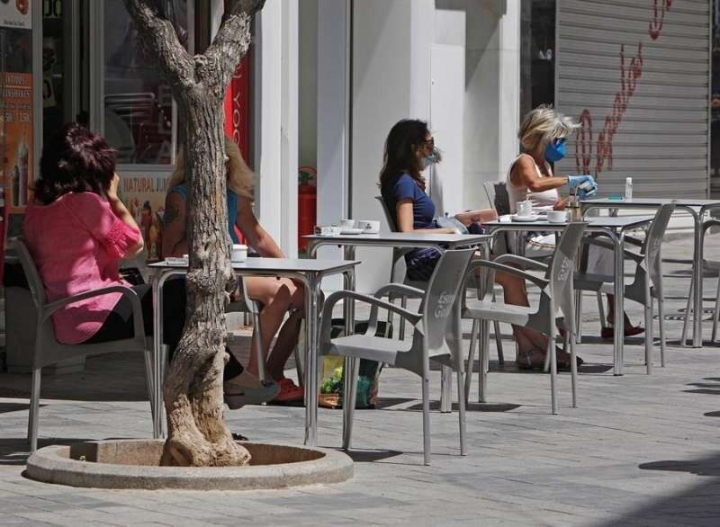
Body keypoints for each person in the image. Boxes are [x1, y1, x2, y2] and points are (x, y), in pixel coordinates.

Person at [22, 123, 270, 405]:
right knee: (184, 293)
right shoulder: (83, 203)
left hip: (66, 315)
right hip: (95, 313)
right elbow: (135, 244)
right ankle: (222, 382)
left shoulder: (37, 207)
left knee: (176, 315)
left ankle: (208, 388)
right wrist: (113, 197)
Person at [379, 119, 578, 370]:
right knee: (510, 274)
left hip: (442, 253)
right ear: (413, 147)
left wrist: (464, 218)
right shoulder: (403, 183)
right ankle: (543, 345)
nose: (433, 149)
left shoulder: (406, 180)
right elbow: (407, 232)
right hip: (430, 259)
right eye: (429, 143)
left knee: (511, 269)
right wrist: (447, 230)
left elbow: (424, 221)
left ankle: (530, 350)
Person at [163, 137, 305, 404]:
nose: (222, 170)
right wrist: (202, 226)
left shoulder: (233, 195)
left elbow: (257, 237)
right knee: (280, 292)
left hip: (232, 272)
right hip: (194, 275)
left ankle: (271, 371)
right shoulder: (180, 197)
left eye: (227, 164)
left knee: (306, 295)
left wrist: (292, 270)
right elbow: (169, 252)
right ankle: (252, 376)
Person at [507, 105, 642, 338]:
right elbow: (534, 185)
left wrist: (576, 195)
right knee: (586, 247)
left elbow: (553, 207)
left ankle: (614, 314)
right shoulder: (524, 161)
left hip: (551, 232)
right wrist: (570, 179)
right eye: (559, 140)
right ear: (543, 138)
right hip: (529, 237)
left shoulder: (545, 166)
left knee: (608, 244)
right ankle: (562, 318)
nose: (563, 146)